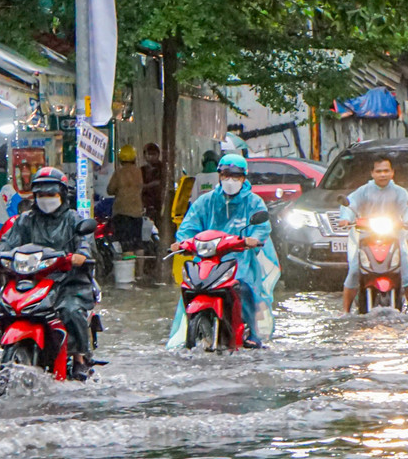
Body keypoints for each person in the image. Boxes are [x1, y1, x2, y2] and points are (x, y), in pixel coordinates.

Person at [0, 167, 98, 379]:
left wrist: (80, 256)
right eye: (40, 195)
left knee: (70, 310)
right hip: (30, 280)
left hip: (67, 281)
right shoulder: (24, 220)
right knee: (4, 305)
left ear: (62, 195)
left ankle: (79, 358)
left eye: (51, 194)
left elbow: (86, 245)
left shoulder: (73, 220)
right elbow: (6, 244)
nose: (45, 199)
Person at [169, 153, 280, 348]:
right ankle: (187, 330)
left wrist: (253, 239)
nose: (230, 180)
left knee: (245, 289)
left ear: (244, 178)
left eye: (235, 176)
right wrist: (182, 242)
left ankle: (253, 334)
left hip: (240, 260)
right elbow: (189, 225)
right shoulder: (206, 201)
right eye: (226, 175)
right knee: (191, 287)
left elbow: (262, 227)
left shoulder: (253, 202)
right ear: (219, 176)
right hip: (209, 259)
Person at [339, 155, 408, 313]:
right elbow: (350, 205)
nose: (382, 174)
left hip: (393, 238)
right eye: (379, 171)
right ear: (372, 173)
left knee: (406, 273)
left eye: (386, 171)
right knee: (355, 270)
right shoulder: (363, 191)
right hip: (365, 239)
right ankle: (345, 311)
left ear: (392, 173)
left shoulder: (399, 192)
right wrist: (345, 219)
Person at [107, 145, 144, 256]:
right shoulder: (139, 172)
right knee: (137, 243)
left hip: (122, 213)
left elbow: (110, 190)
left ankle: (129, 272)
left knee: (126, 244)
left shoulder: (119, 173)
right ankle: (139, 271)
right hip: (137, 212)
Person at [141, 143, 165, 223]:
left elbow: (162, 183)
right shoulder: (142, 170)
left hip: (159, 204)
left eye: (154, 154)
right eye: (149, 154)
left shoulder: (163, 168)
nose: (151, 157)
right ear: (145, 155)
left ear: (158, 155)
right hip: (146, 205)